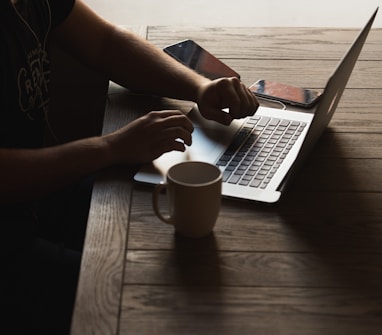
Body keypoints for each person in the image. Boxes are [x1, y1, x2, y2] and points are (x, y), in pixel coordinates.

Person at [0, 0, 259, 334]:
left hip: (37, 195)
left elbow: (106, 43)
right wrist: (111, 147)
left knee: (165, 223)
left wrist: (199, 87)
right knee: (143, 297)